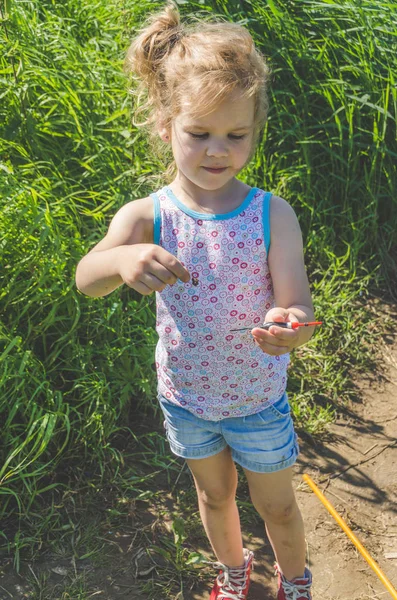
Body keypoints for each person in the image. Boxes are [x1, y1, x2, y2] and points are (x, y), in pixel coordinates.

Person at [75, 3, 315, 599]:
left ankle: (296, 582)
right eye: (199, 133)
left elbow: (297, 304)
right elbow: (87, 276)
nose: (217, 150)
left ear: (254, 133)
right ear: (166, 127)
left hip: (257, 397)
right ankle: (234, 575)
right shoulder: (146, 215)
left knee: (278, 506)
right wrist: (123, 261)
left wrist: (290, 326)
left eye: (236, 135)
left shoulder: (271, 214)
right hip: (188, 397)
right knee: (214, 495)